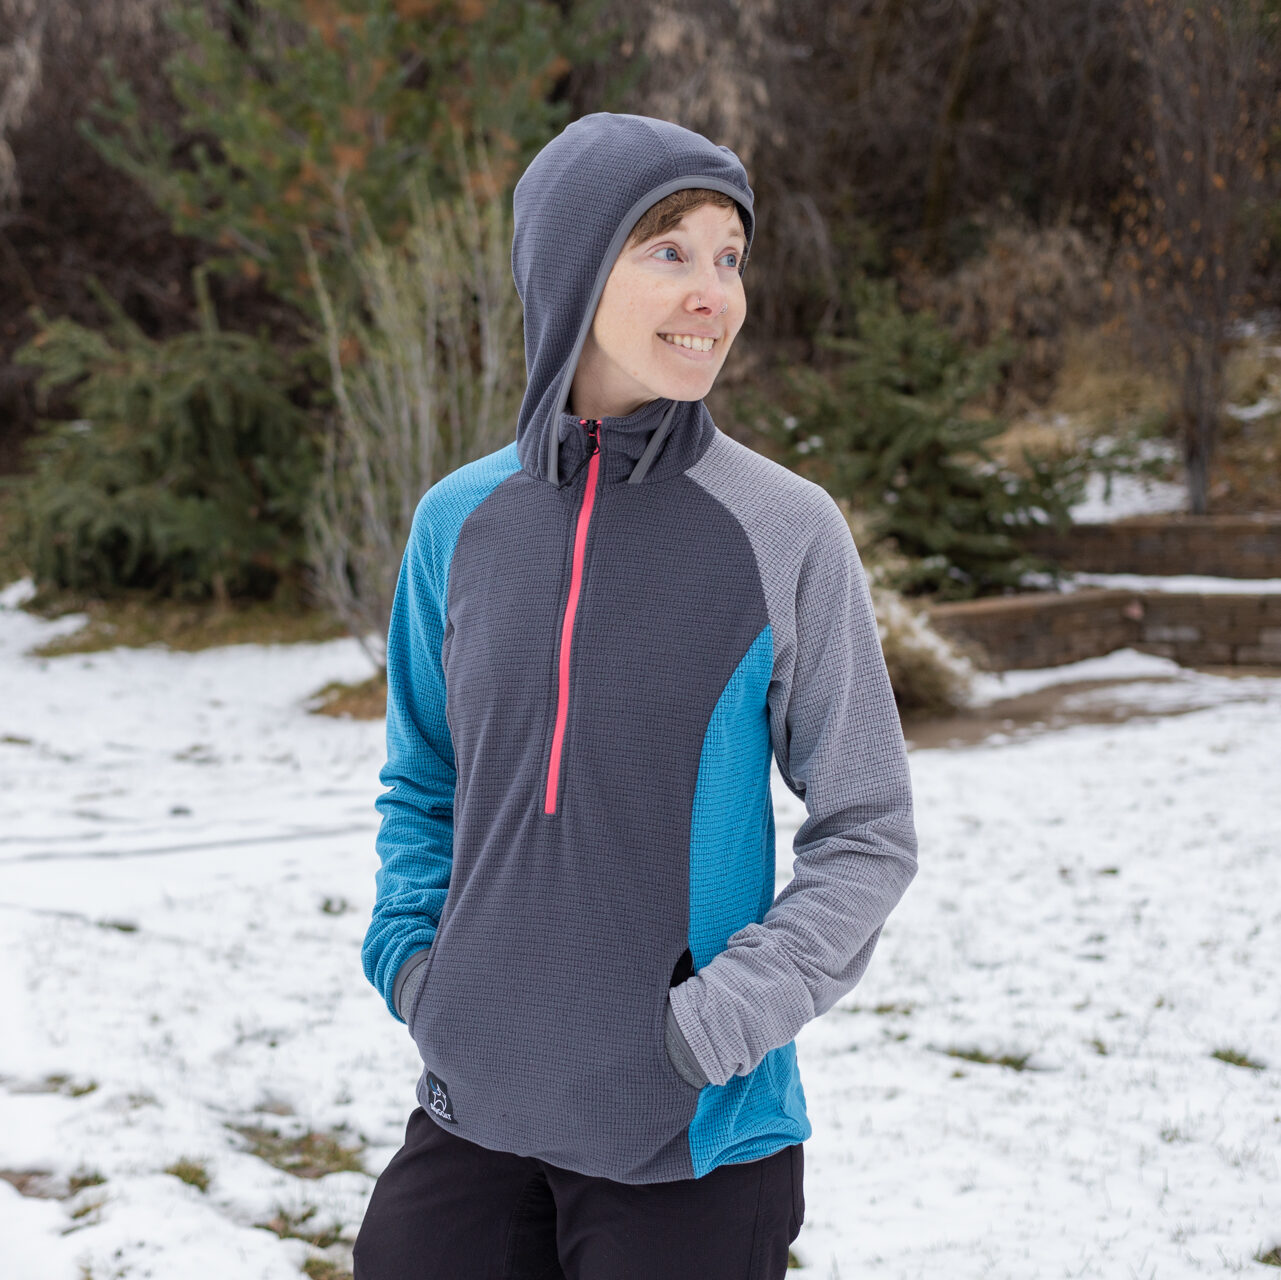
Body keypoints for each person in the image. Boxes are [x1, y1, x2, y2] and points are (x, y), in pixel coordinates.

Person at [353, 112, 918, 1280]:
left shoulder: (784, 530)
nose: (714, 289)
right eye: (669, 250)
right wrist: (413, 957)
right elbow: (423, 778)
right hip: (475, 1104)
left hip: (691, 1134)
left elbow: (868, 829)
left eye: (730, 255)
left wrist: (719, 1023)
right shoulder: (456, 524)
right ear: (569, 267)